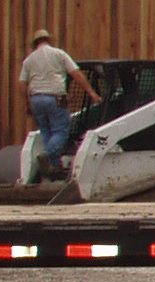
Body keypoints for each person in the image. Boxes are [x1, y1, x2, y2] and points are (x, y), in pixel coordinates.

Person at [19, 29, 102, 176]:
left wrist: (27, 103)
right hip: (55, 97)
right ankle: (47, 154)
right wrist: (91, 92)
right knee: (61, 130)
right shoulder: (59, 54)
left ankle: (55, 166)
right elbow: (76, 74)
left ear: (35, 43)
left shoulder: (29, 60)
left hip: (36, 98)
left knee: (46, 130)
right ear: (48, 40)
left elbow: (22, 83)